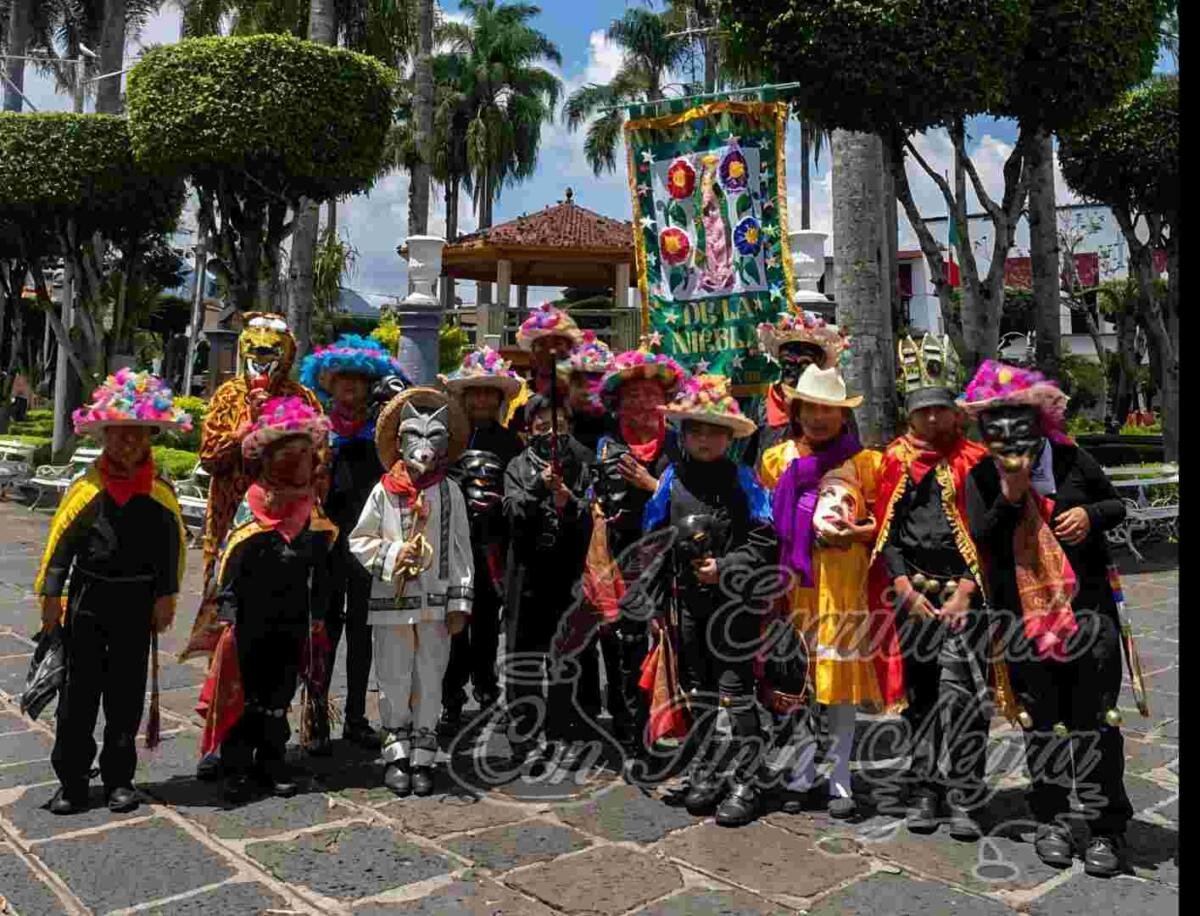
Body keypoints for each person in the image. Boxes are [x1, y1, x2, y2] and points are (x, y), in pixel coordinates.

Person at [963, 361, 1132, 878]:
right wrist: (1012, 496)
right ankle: (1052, 819)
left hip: (1087, 614)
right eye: (995, 420)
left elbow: (1115, 505)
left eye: (1018, 417)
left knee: (1096, 721)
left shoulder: (1073, 458)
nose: (1008, 429)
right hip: (1022, 620)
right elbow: (984, 541)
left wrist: (1090, 515)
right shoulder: (981, 476)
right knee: (1042, 724)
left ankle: (1105, 827)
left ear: (1039, 419)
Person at [34, 370, 190, 814]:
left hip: (136, 607)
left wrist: (166, 597)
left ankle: (120, 778)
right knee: (78, 696)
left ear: (150, 438)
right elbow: (60, 548)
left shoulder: (159, 495)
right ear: (104, 436)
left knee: (125, 695)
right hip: (88, 602)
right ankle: (72, 780)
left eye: (137, 434)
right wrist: (51, 597)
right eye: (119, 433)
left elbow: (171, 550)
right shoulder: (87, 491)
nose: (128, 442)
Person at [872, 335, 1003, 839]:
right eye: (922, 410)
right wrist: (903, 586)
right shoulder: (894, 459)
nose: (931, 418)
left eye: (939, 409)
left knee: (965, 696)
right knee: (921, 695)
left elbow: (992, 532)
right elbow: (886, 533)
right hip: (914, 597)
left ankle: (967, 792)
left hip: (967, 596)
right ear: (909, 413)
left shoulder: (977, 460)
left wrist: (967, 589)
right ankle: (926, 788)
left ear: (955, 411)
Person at [759, 365, 902, 820]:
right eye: (811, 409)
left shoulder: (867, 463)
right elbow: (763, 521)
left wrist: (857, 532)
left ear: (843, 416)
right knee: (797, 680)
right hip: (794, 588)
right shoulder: (776, 460)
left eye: (830, 410)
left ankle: (841, 776)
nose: (819, 418)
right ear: (797, 411)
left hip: (844, 588)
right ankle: (802, 771)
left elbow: (886, 523)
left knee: (841, 685)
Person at [185, 314, 323, 779]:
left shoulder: (303, 399)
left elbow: (319, 458)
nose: (261, 356)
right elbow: (208, 458)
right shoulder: (227, 396)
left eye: (271, 349)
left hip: (290, 525)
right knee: (229, 635)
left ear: (287, 353)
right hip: (233, 523)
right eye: (255, 347)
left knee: (280, 639)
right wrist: (242, 434)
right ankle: (222, 740)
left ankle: (270, 742)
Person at [638, 375, 777, 827]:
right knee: (698, 692)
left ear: (729, 437)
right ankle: (708, 770)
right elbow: (653, 541)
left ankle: (747, 781)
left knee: (736, 694)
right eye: (696, 430)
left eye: (714, 431)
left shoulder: (744, 481)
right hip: (686, 606)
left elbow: (764, 538)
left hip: (735, 607)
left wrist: (727, 567)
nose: (704, 439)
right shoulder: (671, 480)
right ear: (683, 434)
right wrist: (654, 604)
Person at [349, 387, 473, 797]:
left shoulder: (450, 493)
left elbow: (461, 550)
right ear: (399, 443)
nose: (423, 446)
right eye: (414, 437)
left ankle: (424, 756)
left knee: (431, 676)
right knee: (393, 675)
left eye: (433, 436)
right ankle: (396, 754)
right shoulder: (383, 491)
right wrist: (392, 555)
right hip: (392, 602)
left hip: (436, 605)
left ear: (444, 446)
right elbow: (360, 539)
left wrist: (459, 602)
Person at [212, 397, 336, 802]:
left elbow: (322, 566)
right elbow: (230, 561)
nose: (299, 462)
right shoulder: (253, 502)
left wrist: (319, 611)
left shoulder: (311, 508)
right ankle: (234, 764)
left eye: (304, 454)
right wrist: (228, 609)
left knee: (279, 691)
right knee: (243, 690)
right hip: (250, 616)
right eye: (288, 454)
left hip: (293, 615)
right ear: (268, 459)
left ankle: (271, 759)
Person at [298, 335, 409, 754]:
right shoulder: (317, 430)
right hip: (325, 543)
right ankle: (315, 718)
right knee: (321, 628)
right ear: (328, 382)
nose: (349, 386)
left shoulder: (383, 431)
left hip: (371, 543)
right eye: (341, 378)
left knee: (364, 630)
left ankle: (357, 717)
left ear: (368, 384)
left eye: (358, 380)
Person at [585, 349, 687, 767]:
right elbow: (596, 493)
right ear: (618, 403)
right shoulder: (606, 444)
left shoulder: (679, 443)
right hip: (621, 559)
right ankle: (630, 733)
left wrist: (652, 485)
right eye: (634, 396)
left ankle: (671, 726)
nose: (643, 403)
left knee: (670, 646)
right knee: (624, 647)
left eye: (651, 395)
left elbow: (692, 499)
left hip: (669, 559)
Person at [502, 393, 594, 772]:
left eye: (559, 425)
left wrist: (569, 500)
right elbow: (511, 512)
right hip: (526, 575)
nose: (551, 433)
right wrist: (538, 488)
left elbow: (594, 516)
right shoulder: (516, 466)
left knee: (565, 658)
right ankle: (523, 737)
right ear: (529, 430)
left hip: (568, 574)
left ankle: (563, 733)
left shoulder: (583, 463)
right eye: (542, 426)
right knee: (523, 658)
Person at [437, 347, 524, 735]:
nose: (483, 400)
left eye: (490, 393)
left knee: (487, 623)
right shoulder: (448, 440)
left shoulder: (512, 443)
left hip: (494, 546)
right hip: (453, 545)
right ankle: (451, 697)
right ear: (465, 398)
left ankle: (487, 688)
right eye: (476, 393)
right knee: (453, 622)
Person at [743, 311, 849, 470]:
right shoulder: (762, 402)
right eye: (788, 364)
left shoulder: (834, 402)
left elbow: (850, 452)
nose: (794, 371)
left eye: (804, 365)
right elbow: (748, 458)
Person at [561, 330, 614, 454]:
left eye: (594, 385)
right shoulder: (554, 420)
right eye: (579, 384)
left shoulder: (615, 425)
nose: (586, 391)